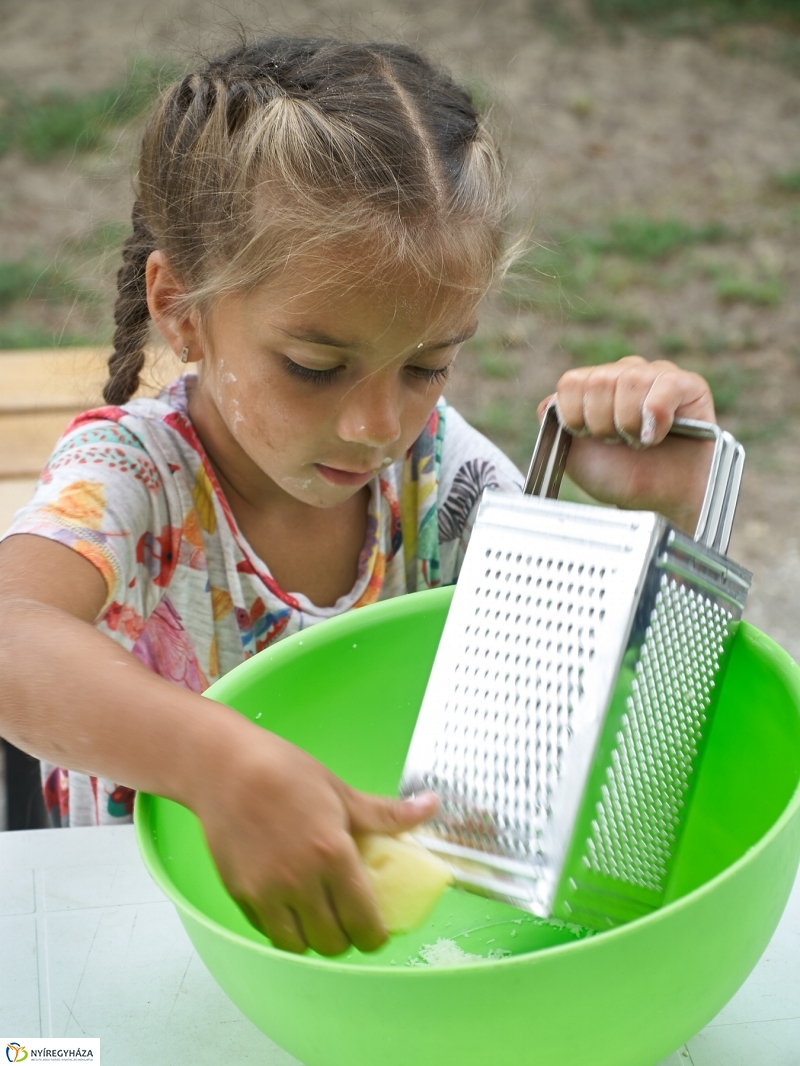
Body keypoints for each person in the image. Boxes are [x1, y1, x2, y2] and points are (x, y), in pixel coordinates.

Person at [0, 37, 715, 956]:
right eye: (315, 367)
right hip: (132, 937)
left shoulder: (439, 477)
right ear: (182, 309)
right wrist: (218, 763)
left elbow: (607, 715)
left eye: (427, 365)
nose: (379, 425)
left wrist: (665, 520)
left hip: (373, 949)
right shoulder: (135, 479)